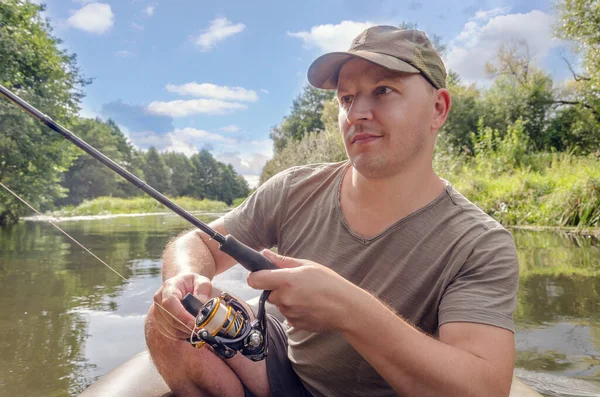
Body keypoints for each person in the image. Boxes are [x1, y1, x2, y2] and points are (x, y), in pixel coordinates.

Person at [145, 25, 519, 397]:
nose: (357, 114)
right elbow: (199, 242)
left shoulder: (480, 244)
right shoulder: (293, 189)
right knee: (165, 324)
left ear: (438, 109)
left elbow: (484, 388)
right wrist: (185, 278)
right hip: (287, 368)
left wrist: (348, 310)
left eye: (383, 91)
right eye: (346, 99)